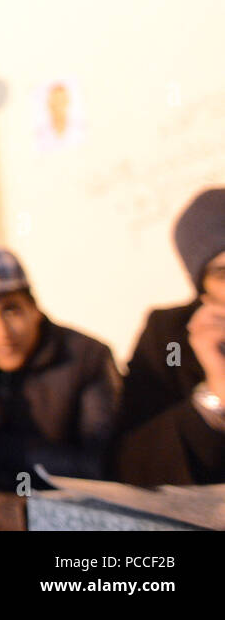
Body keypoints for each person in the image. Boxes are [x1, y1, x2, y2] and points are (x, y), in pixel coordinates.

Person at [0, 247, 121, 490]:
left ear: (34, 308)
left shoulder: (86, 355)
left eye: (11, 310)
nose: (2, 333)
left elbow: (101, 463)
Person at [111, 188, 225, 485]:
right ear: (203, 291)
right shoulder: (169, 337)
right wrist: (215, 398)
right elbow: (130, 464)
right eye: (224, 274)